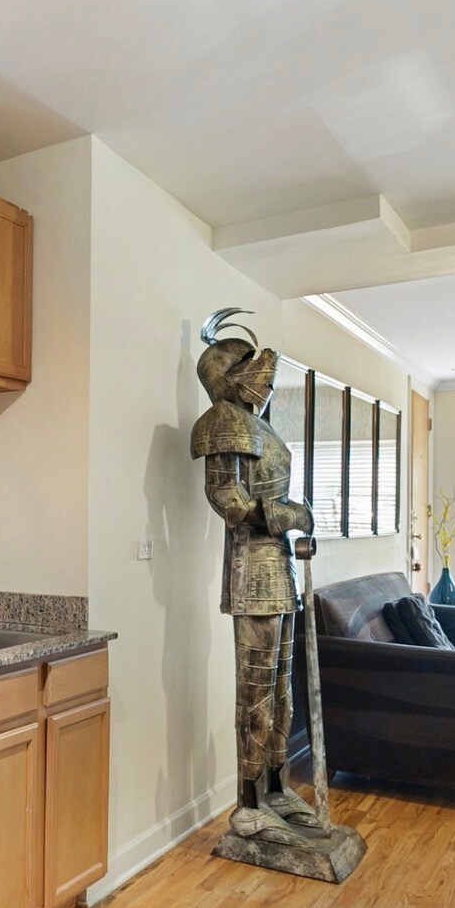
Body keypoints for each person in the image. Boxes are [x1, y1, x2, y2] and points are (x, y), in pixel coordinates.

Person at [190, 311, 326, 848]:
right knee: (255, 693)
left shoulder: (258, 424)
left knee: (281, 690)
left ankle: (275, 788)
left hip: (279, 570)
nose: (264, 385)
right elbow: (228, 499)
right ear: (229, 376)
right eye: (253, 374)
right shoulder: (223, 419)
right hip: (252, 571)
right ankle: (248, 806)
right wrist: (291, 514)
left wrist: (292, 520)